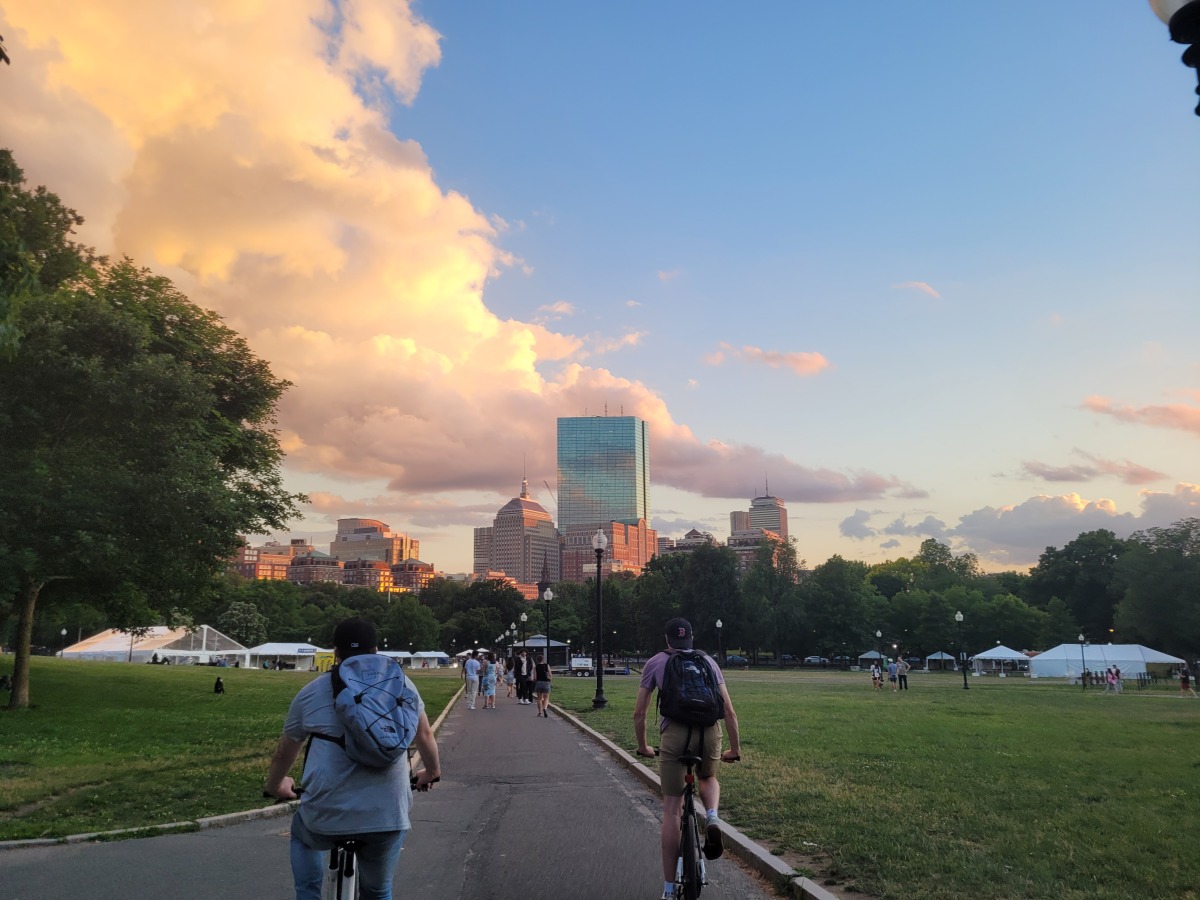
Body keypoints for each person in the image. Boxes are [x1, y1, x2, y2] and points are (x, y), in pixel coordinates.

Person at [264, 618, 441, 900]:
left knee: (302, 834)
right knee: (378, 890)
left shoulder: (311, 693)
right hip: (386, 813)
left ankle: (309, 895)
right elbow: (425, 735)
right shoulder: (402, 686)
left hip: (326, 812)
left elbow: (284, 752)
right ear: (376, 649)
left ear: (335, 652)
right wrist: (431, 772)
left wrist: (276, 787)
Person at [633, 618, 741, 900]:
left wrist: (644, 745)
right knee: (707, 777)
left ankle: (669, 890)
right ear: (691, 638)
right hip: (710, 732)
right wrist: (735, 749)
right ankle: (714, 818)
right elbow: (728, 710)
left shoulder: (656, 662)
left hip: (675, 734)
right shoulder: (709, 662)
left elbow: (640, 713)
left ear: (667, 639)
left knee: (672, 808)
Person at [533, 652, 552, 718]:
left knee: (539, 698)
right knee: (546, 698)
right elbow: (550, 674)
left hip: (539, 682)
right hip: (546, 682)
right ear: (543, 659)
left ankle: (540, 712)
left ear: (537, 660)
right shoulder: (547, 665)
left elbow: (535, 677)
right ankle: (545, 708)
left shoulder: (536, 667)